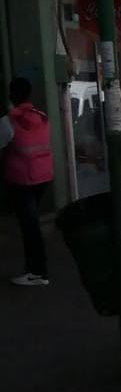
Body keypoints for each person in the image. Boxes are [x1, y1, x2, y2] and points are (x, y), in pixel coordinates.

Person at [1, 77, 54, 286]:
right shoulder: (42, 117)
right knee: (31, 224)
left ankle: (37, 272)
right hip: (43, 177)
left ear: (12, 95)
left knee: (30, 227)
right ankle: (36, 270)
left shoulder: (8, 121)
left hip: (22, 180)